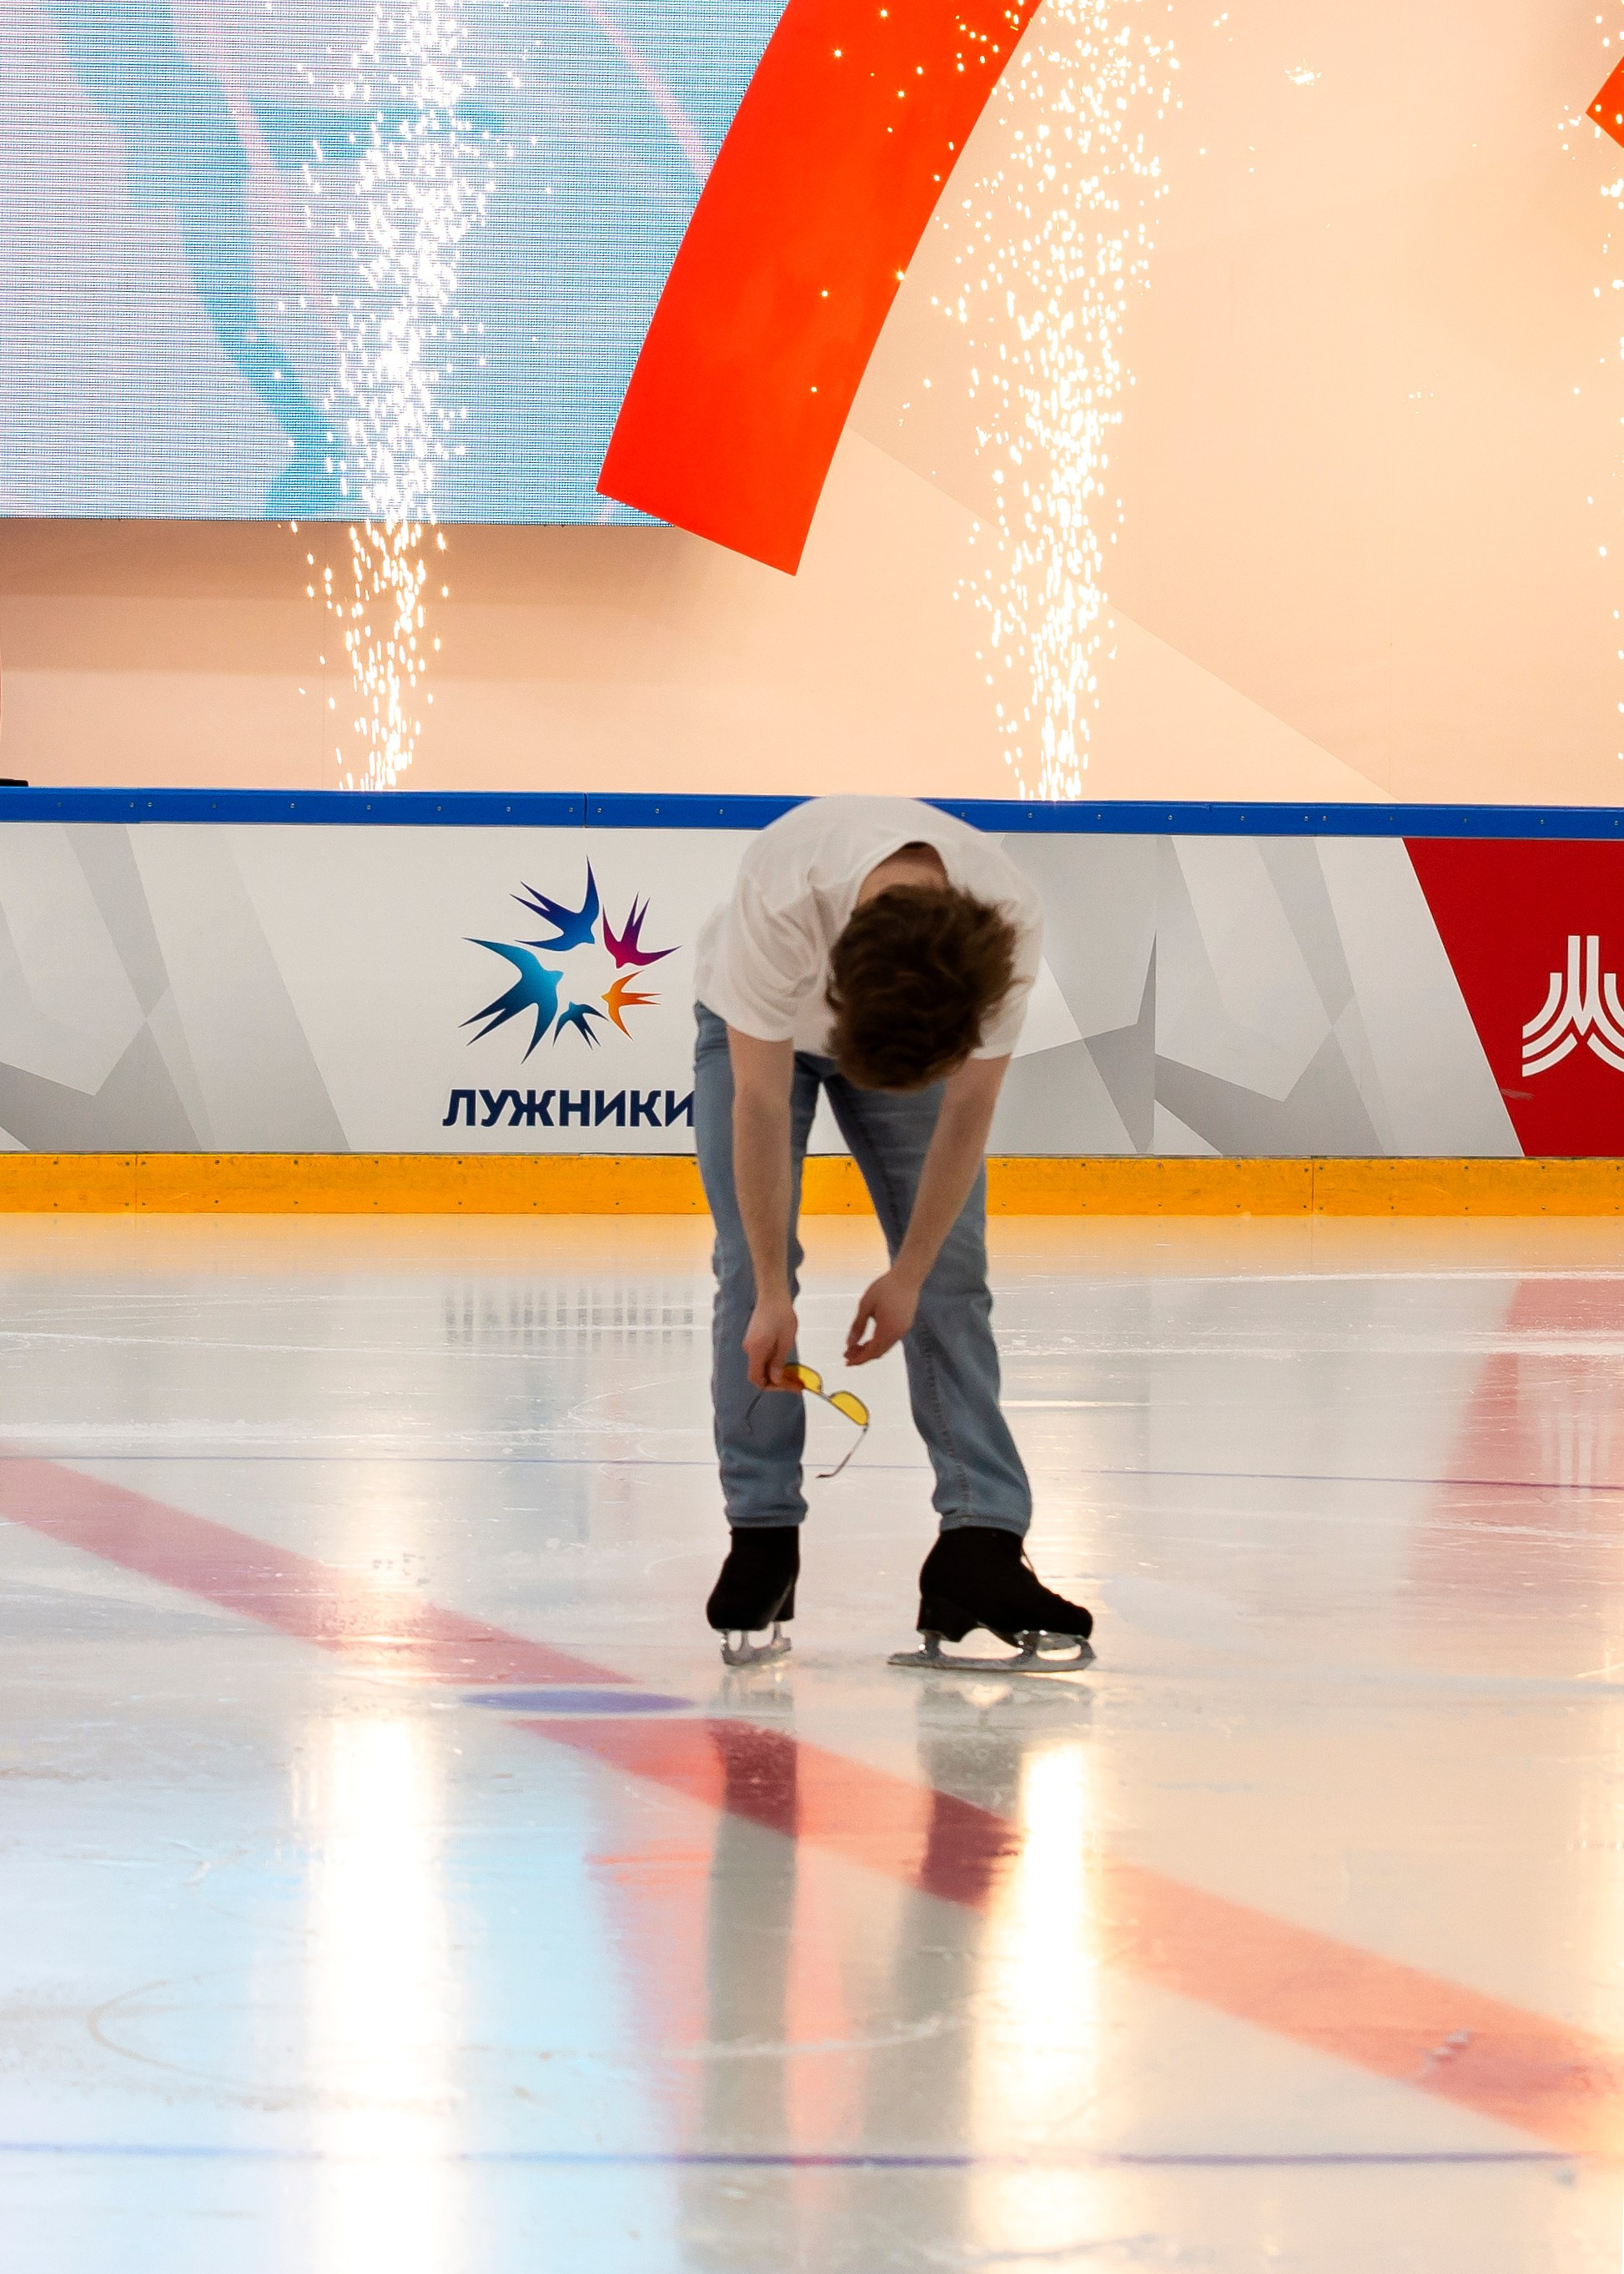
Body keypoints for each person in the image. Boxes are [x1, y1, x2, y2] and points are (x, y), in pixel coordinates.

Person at [691, 795, 1094, 1668]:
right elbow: (759, 1102)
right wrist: (771, 1290)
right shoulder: (780, 896)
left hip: (904, 1011)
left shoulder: (1001, 925)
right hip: (762, 1041)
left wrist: (909, 1273)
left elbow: (967, 1110)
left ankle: (980, 1540)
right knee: (749, 1278)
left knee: (952, 1274)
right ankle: (762, 1533)